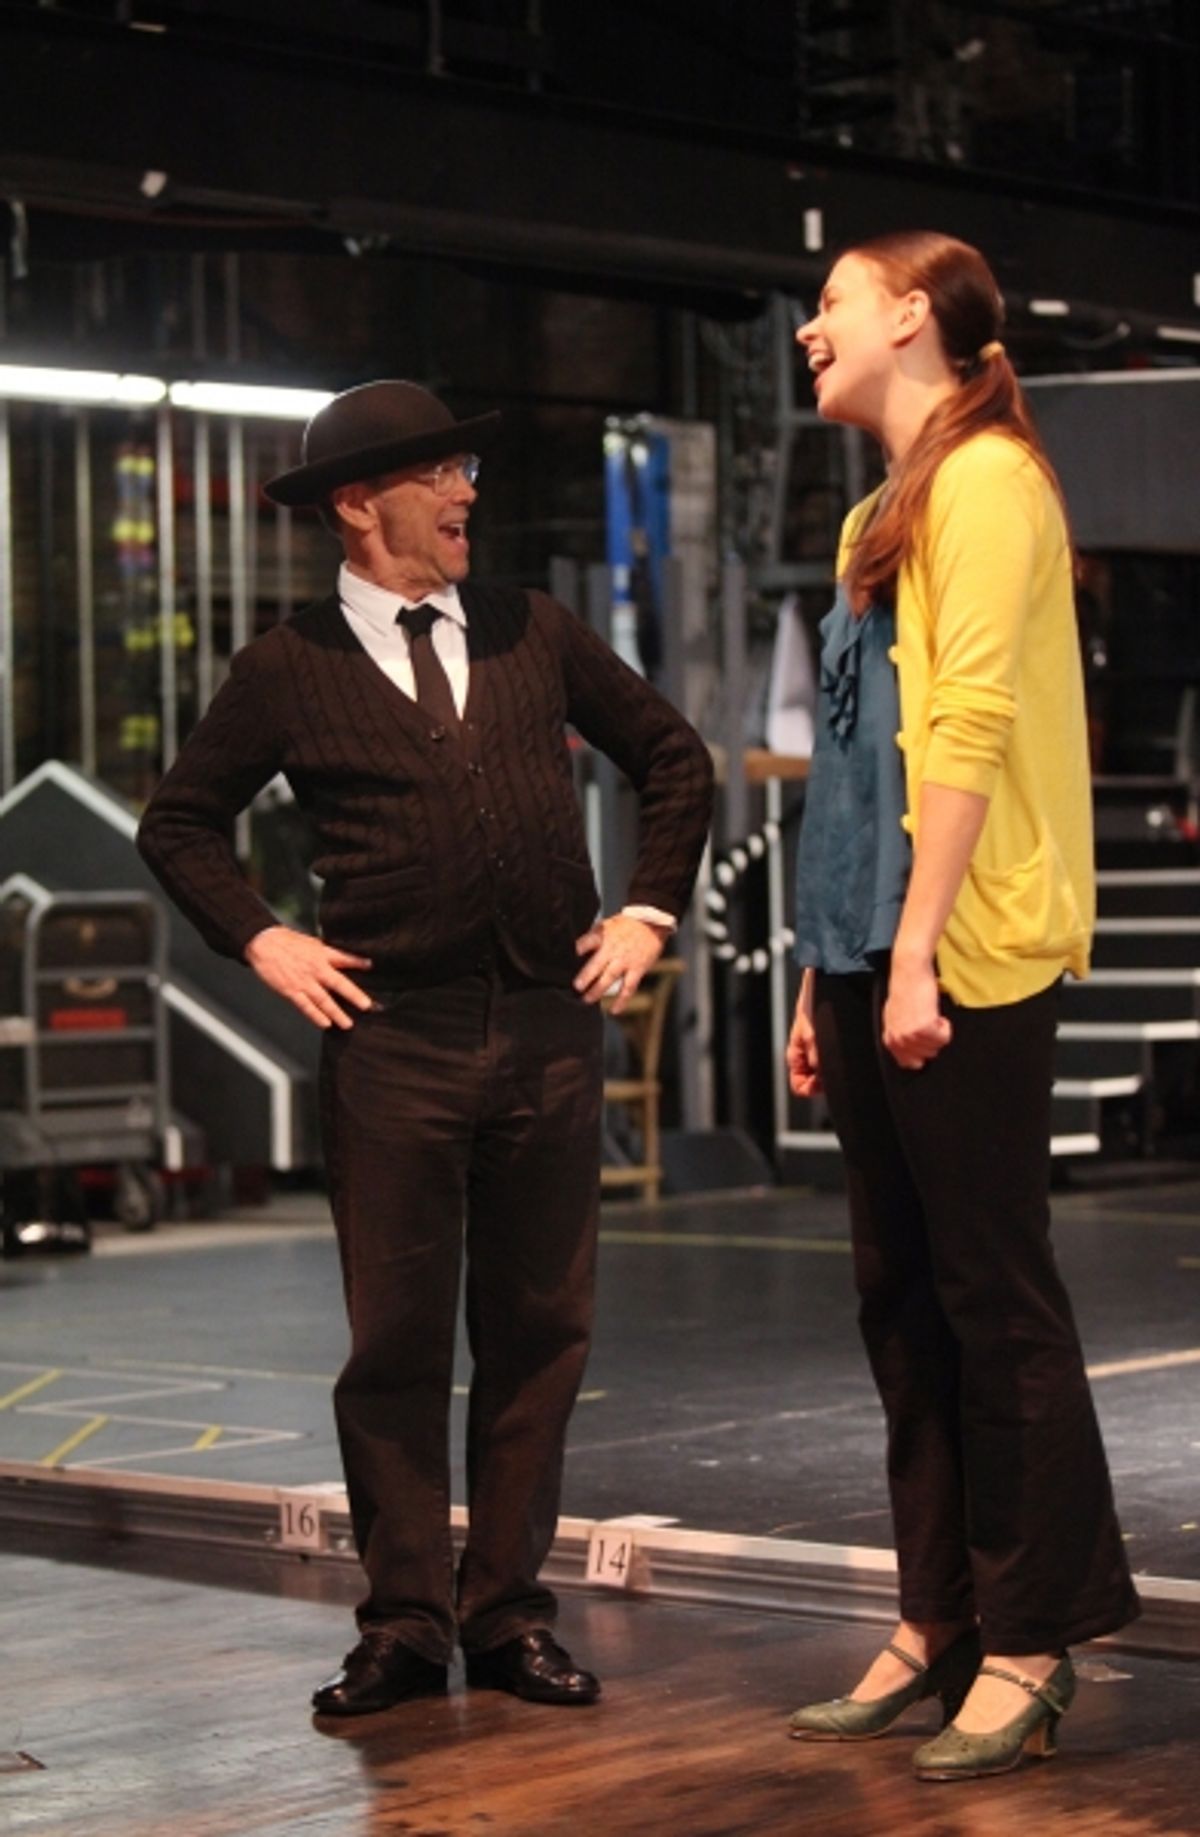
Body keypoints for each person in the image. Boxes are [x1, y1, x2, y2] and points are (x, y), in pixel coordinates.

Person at [137, 380, 712, 1718]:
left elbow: (674, 760)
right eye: (440, 474)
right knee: (395, 1342)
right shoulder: (289, 664)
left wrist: (645, 907)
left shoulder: (531, 627)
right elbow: (179, 823)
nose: (467, 493)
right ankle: (404, 1622)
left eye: (466, 466)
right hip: (395, 1041)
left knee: (538, 1332)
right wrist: (262, 939)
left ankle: (505, 1610)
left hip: (549, 1034)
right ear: (359, 503)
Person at [783, 233, 1139, 1781]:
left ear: (911, 315)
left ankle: (1035, 1632)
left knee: (996, 1299)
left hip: (959, 950)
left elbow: (971, 726)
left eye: (834, 300)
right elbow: (858, 760)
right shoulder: (878, 504)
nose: (810, 327)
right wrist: (824, 962)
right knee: (900, 1298)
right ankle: (937, 1614)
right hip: (867, 948)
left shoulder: (992, 479)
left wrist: (920, 948)